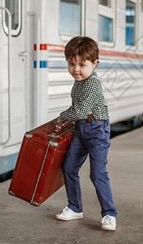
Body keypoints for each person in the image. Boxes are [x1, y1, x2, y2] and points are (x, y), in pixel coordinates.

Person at [55, 36, 118, 231]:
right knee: (69, 168)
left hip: (97, 130)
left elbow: (81, 110)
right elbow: (79, 110)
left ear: (95, 63)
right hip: (81, 129)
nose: (76, 69)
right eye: (71, 63)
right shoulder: (79, 81)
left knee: (98, 174)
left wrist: (62, 117)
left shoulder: (92, 83)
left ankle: (109, 214)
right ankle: (75, 208)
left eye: (82, 64)